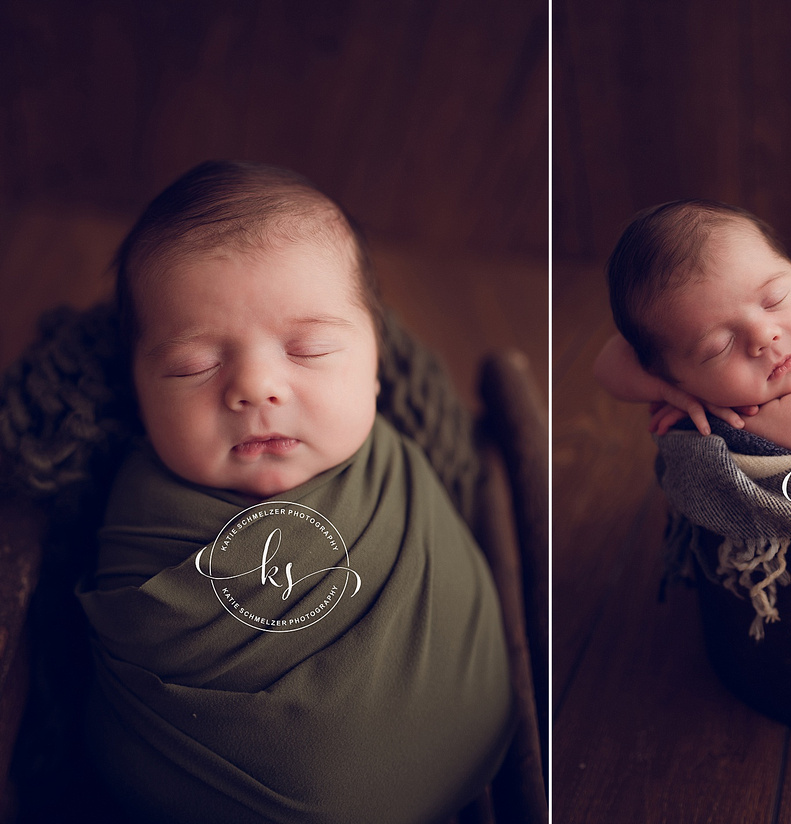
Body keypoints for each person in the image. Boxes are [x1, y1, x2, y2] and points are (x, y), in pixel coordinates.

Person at [77, 160, 514, 823]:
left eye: (307, 349)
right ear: (135, 393)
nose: (255, 387)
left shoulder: (398, 466)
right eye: (193, 365)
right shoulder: (143, 512)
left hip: (453, 757)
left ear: (376, 367)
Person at [594, 199, 791, 453]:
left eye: (774, 300)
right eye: (720, 346)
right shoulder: (675, 368)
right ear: (670, 372)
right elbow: (606, 365)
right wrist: (671, 391)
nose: (764, 335)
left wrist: (716, 418)